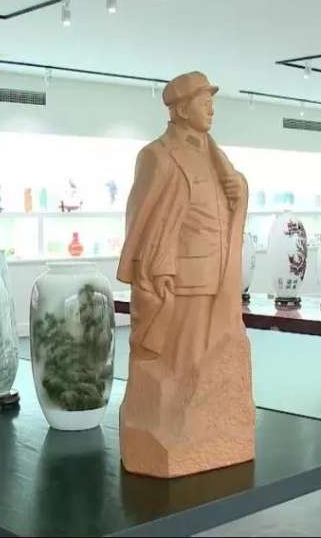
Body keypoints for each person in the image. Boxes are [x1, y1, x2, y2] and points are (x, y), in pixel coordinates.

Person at [117, 71, 255, 478]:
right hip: (181, 280)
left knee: (211, 359)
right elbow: (141, 218)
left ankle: (205, 428)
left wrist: (240, 190)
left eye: (211, 100)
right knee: (182, 366)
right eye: (202, 100)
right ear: (180, 109)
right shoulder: (157, 156)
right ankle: (176, 428)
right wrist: (149, 270)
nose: (211, 108)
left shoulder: (217, 156)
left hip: (218, 276)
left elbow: (227, 203)